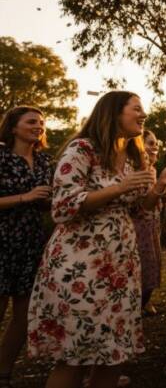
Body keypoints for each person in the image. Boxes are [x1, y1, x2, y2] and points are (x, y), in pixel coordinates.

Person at [27, 91, 166, 388]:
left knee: (113, 355)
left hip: (120, 266)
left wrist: (159, 186)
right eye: (136, 108)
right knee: (74, 356)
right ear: (114, 112)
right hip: (82, 266)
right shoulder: (82, 149)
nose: (143, 114)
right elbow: (62, 206)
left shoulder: (133, 156)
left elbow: (138, 209)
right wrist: (119, 188)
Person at [0, 107, 53, 387]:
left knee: (23, 316)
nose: (38, 126)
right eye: (31, 121)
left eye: (41, 122)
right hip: (2, 241)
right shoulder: (1, 157)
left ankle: (4, 372)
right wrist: (26, 197)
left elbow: (44, 200)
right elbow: (25, 197)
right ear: (13, 128)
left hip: (31, 242)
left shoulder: (44, 161)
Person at [132, 130, 166, 316]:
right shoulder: (136, 169)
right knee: (142, 265)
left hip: (153, 223)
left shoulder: (153, 170)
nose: (155, 147)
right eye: (150, 143)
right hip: (138, 225)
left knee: (153, 262)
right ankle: (136, 304)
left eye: (156, 144)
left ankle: (145, 300)